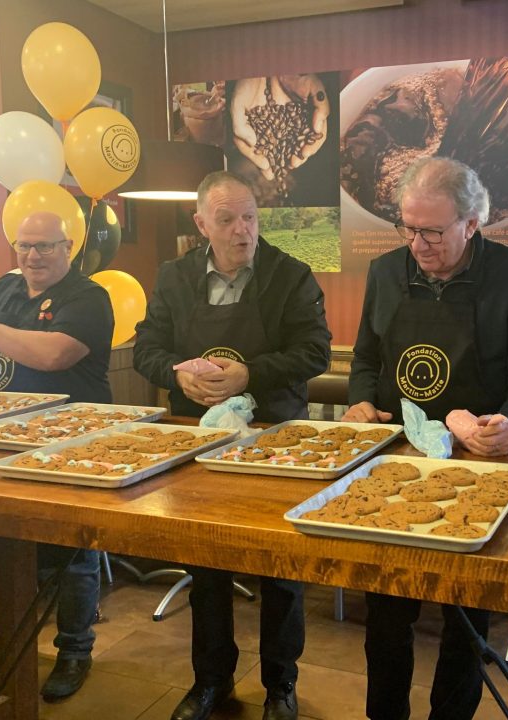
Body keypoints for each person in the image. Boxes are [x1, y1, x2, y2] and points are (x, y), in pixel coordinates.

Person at [343, 156, 508, 720]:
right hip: (396, 463)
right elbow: (366, 357)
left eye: (433, 231)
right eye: (408, 229)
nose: (418, 244)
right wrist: (361, 399)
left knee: (466, 615)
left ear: (472, 223)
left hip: (478, 463)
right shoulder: (386, 271)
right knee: (386, 611)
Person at [133, 170, 331, 720]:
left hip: (279, 443)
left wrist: (251, 375)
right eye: (227, 220)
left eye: (250, 217)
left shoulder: (291, 276)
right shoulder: (173, 278)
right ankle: (210, 682)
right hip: (198, 446)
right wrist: (177, 375)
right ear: (201, 225)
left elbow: (315, 351)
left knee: (281, 573)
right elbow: (146, 348)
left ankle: (280, 687)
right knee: (207, 569)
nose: (242, 230)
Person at [0, 211, 114, 701]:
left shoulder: (88, 297)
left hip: (67, 443)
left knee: (72, 552)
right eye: (24, 246)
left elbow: (52, 355)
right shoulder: (6, 290)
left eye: (45, 247)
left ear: (68, 246)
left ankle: (74, 649)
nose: (33, 256)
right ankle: (1, 641)